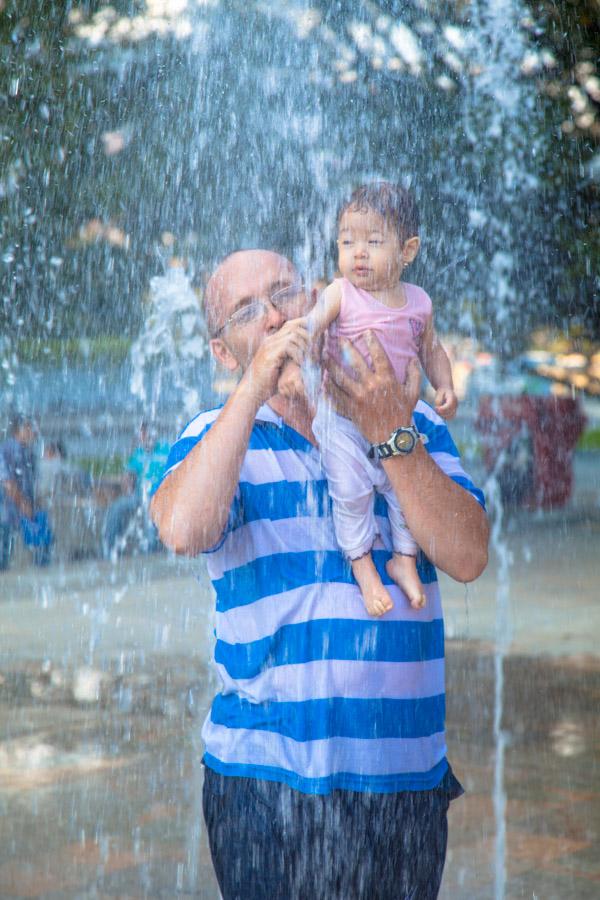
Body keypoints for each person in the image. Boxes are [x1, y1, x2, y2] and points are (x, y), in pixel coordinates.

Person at [151, 249, 489, 900]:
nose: (276, 316)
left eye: (284, 294)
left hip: (399, 773)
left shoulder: (411, 421)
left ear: (320, 300)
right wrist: (253, 389)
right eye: (248, 312)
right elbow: (185, 530)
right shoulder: (215, 436)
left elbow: (469, 555)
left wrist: (390, 433)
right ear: (221, 351)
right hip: (259, 777)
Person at [303, 182, 457, 617]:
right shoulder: (341, 293)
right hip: (343, 420)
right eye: (347, 241)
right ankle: (364, 567)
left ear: (408, 251)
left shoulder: (419, 303)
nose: (359, 253)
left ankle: (404, 559)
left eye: (373, 242)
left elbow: (431, 349)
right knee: (350, 493)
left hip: (397, 422)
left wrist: (443, 384)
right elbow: (311, 326)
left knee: (406, 492)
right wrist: (297, 347)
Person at [102, 422, 169, 559]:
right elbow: (128, 475)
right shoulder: (138, 453)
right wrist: (127, 483)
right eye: (142, 435)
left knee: (148, 508)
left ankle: (152, 550)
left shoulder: (166, 449)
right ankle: (109, 547)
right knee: (117, 507)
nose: (144, 438)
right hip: (139, 496)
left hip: (161, 496)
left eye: (147, 434)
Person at [0, 414, 53, 570]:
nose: (34, 432)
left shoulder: (28, 452)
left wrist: (35, 502)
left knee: (44, 545)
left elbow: (32, 482)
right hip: (8, 509)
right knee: (4, 548)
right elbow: (7, 482)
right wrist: (24, 504)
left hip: (22, 507)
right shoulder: (6, 450)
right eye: (30, 428)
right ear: (19, 430)